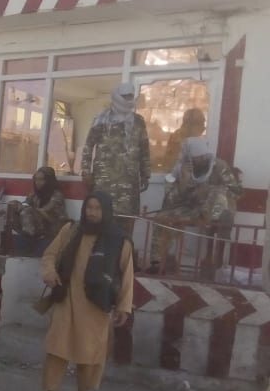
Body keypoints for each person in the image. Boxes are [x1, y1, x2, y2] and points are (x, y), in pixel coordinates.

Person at [35, 191, 133, 391]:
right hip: (66, 298)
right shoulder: (71, 231)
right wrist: (49, 273)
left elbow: (126, 275)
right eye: (89, 207)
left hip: (96, 305)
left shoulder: (119, 240)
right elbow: (49, 255)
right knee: (57, 349)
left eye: (97, 208)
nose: (92, 212)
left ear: (106, 210)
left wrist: (123, 306)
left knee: (89, 355)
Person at [148, 136, 242, 271]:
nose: (203, 159)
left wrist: (209, 191)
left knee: (218, 193)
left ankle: (217, 221)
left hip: (214, 211)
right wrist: (184, 181)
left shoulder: (219, 166)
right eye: (198, 157)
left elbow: (237, 192)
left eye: (204, 155)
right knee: (162, 218)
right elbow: (169, 201)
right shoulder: (179, 169)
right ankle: (157, 262)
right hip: (190, 209)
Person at [80, 82, 151, 233]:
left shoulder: (138, 122)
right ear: (117, 96)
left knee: (127, 223)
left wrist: (145, 174)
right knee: (102, 218)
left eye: (131, 97)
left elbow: (144, 149)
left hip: (129, 183)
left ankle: (124, 254)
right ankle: (101, 253)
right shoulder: (101, 120)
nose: (128, 100)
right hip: (104, 181)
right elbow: (88, 146)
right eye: (125, 96)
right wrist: (86, 171)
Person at [9, 166, 69, 256]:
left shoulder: (57, 196)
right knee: (12, 208)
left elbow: (43, 211)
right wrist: (16, 205)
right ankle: (27, 237)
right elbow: (26, 203)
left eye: (41, 179)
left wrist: (25, 208)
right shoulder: (35, 194)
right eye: (36, 179)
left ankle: (28, 239)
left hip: (52, 228)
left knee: (27, 211)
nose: (38, 182)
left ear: (49, 180)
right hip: (36, 228)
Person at [162, 108, 205, 172]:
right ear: (190, 124)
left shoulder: (193, 138)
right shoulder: (177, 139)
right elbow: (172, 164)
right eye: (201, 124)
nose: (203, 128)